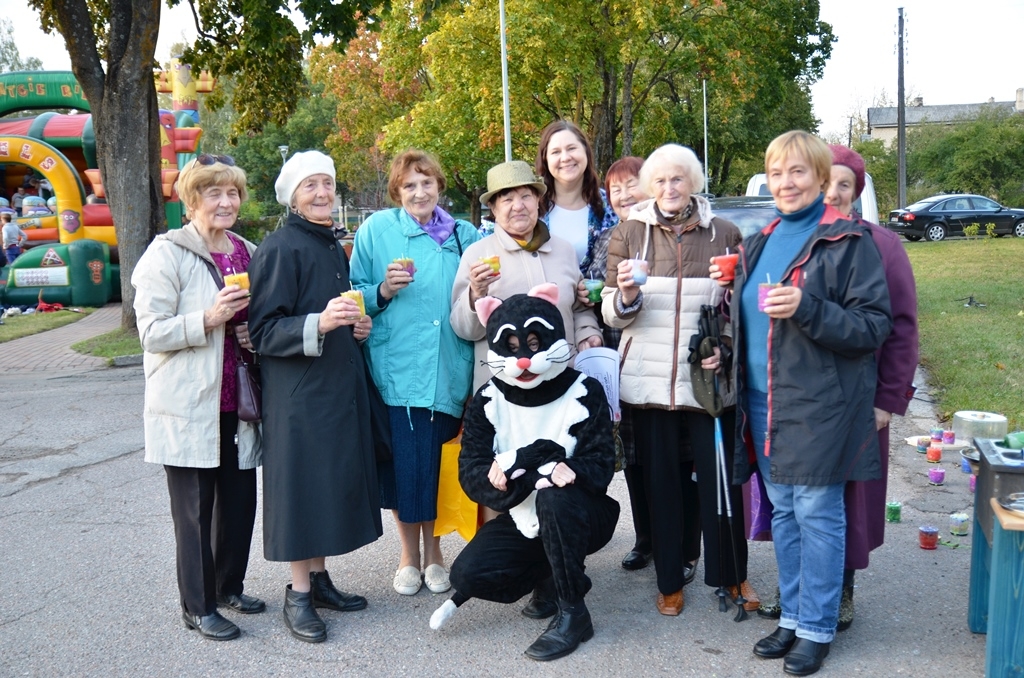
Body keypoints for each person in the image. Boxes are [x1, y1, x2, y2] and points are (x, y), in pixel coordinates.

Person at [719, 131, 891, 676]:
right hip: (761, 403)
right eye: (776, 173)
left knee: (817, 514)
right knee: (786, 513)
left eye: (797, 172)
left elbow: (873, 326)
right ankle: (793, 617)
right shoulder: (760, 240)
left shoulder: (848, 241)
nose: (786, 183)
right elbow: (748, 326)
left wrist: (808, 307)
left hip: (819, 406)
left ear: (820, 178)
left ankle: (816, 627)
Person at [601, 144, 754, 617]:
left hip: (705, 384)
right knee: (661, 487)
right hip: (648, 385)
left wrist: (725, 349)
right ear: (651, 186)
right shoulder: (628, 234)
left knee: (720, 484)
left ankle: (732, 575)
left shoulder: (725, 233)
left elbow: (739, 312)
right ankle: (669, 581)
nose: (670, 189)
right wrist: (626, 294)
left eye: (679, 179)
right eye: (661, 180)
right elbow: (611, 313)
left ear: (693, 182)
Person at [429, 286, 619, 662]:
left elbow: (601, 464)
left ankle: (572, 610)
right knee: (468, 575)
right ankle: (549, 572)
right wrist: (525, 475)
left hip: (581, 514)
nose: (525, 359)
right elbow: (472, 473)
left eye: (534, 342)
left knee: (555, 495)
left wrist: (565, 469)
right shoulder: (487, 399)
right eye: (512, 346)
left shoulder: (585, 390)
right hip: (522, 516)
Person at [248, 151, 382, 644]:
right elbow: (262, 331)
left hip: (329, 389)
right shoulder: (282, 247)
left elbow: (329, 314)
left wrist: (356, 328)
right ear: (293, 196)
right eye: (311, 186)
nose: (323, 193)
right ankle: (299, 593)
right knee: (302, 492)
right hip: (299, 397)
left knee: (322, 488)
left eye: (327, 183)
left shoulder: (328, 243)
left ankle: (320, 581)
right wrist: (321, 324)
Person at [131, 154, 262, 642]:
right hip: (189, 404)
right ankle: (198, 605)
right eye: (214, 193)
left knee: (239, 501)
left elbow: (258, 319)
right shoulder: (166, 253)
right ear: (191, 201)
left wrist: (253, 334)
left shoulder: (247, 250)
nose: (226, 202)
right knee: (194, 510)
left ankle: (230, 586)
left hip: (239, 400)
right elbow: (151, 332)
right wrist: (207, 319)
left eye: (232, 193)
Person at [349, 150, 480, 597]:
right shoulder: (376, 231)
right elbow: (351, 296)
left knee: (437, 465)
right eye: (409, 185)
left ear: (439, 186)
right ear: (396, 192)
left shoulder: (465, 236)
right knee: (405, 468)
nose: (419, 192)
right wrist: (383, 290)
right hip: (397, 368)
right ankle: (408, 556)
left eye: (426, 183)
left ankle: (437, 554)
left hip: (448, 367)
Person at [826, 145, 919, 631]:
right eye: (827, 181)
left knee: (850, 496)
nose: (834, 192)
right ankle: (800, 580)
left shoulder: (882, 245)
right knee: (800, 493)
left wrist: (890, 398)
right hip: (805, 399)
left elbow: (903, 327)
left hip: (862, 397)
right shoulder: (795, 239)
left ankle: (842, 588)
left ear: (857, 192)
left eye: (845, 184)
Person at [451, 160, 603, 394]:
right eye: (507, 199)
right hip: (503, 394)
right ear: (493, 208)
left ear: (538, 201)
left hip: (562, 388)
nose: (518, 206)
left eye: (526, 196)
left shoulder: (564, 250)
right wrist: (476, 293)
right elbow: (464, 330)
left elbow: (579, 309)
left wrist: (588, 334)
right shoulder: (478, 255)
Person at [585, 156, 659, 573]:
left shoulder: (663, 236)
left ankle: (680, 542)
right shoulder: (607, 237)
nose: (625, 194)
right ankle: (645, 538)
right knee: (630, 452)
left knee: (666, 454)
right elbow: (593, 285)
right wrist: (586, 293)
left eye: (633, 184)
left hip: (655, 356)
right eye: (616, 189)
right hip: (616, 359)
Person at [535, 120, 618, 275]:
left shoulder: (611, 206)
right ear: (545, 159)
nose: (565, 158)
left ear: (586, 152)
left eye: (571, 148)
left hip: (600, 298)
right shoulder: (531, 206)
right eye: (556, 152)